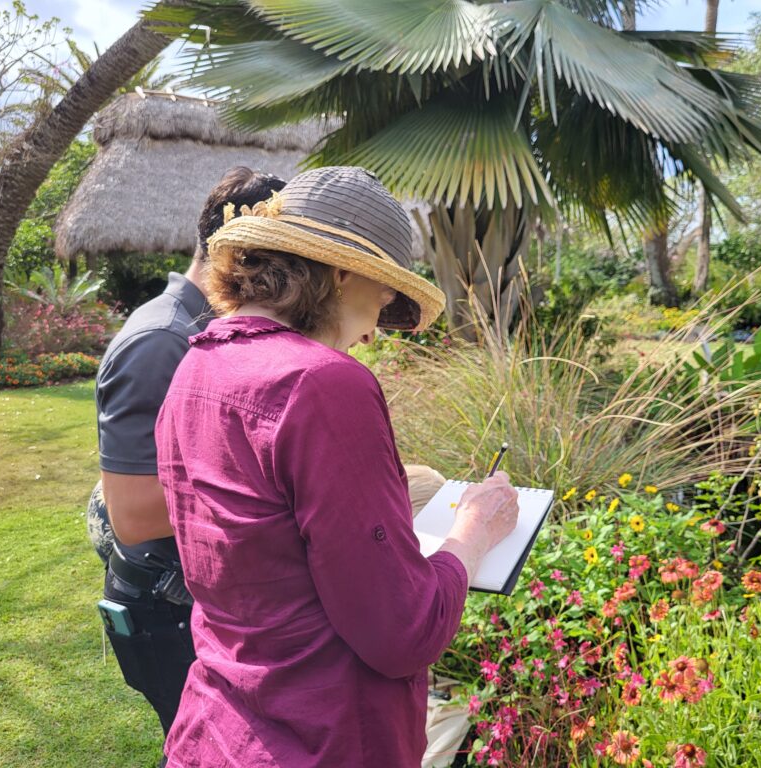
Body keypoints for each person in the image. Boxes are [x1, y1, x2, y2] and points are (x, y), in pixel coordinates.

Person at [154, 167, 519, 767]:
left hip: (219, 726)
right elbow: (402, 631)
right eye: (384, 289)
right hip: (323, 735)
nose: (382, 317)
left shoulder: (196, 368)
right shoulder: (323, 382)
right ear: (344, 271)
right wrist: (474, 530)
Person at [89, 167, 288, 758]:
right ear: (250, 258)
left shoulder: (208, 330)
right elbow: (133, 513)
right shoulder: (162, 341)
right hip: (162, 608)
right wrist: (280, 493)